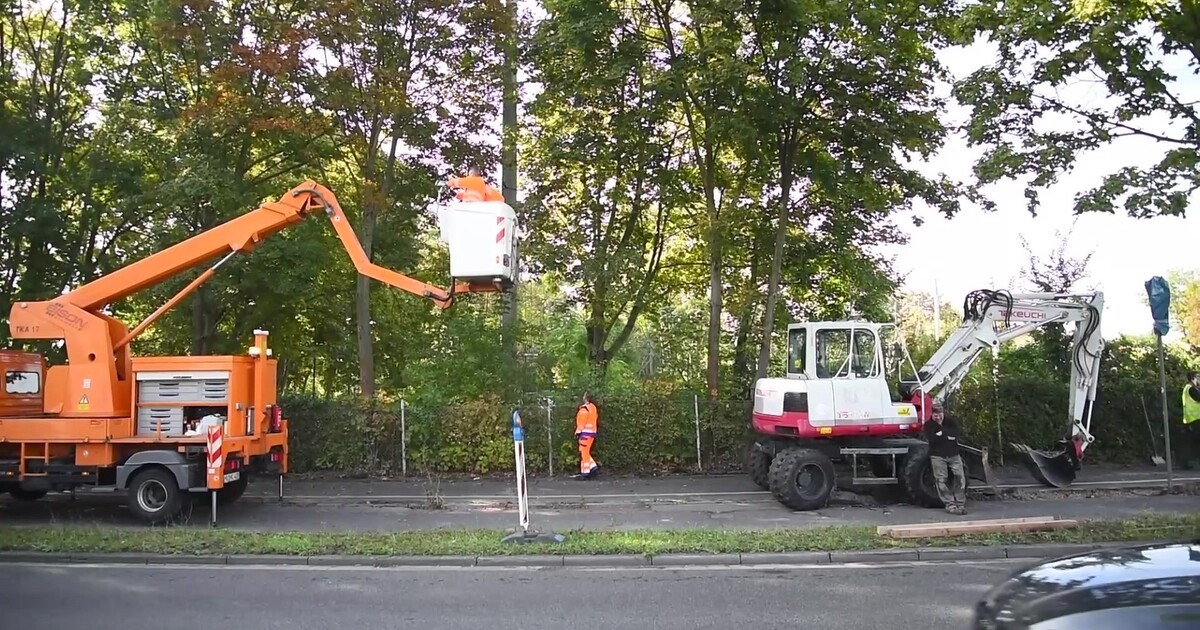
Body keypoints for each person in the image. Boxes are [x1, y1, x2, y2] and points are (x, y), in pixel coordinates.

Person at [923, 401, 967, 515]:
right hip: (937, 456)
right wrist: (946, 436)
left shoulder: (951, 422)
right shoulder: (928, 425)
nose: (938, 417)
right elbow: (932, 439)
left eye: (940, 415)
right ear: (932, 414)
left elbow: (956, 434)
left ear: (943, 413)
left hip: (953, 454)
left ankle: (960, 503)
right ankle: (950, 504)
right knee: (941, 480)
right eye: (936, 415)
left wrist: (941, 434)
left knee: (960, 477)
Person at [574, 392, 599, 479]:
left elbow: (581, 422)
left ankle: (585, 473)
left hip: (584, 433)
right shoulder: (593, 408)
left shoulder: (584, 409)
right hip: (592, 433)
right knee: (585, 451)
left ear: (585, 398)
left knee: (584, 452)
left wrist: (578, 432)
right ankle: (593, 467)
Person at [1179, 372, 1200, 469]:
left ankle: (1185, 463)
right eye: (1198, 377)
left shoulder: (1189, 388)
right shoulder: (1191, 389)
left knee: (1190, 443)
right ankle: (1185, 463)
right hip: (1195, 419)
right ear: (1193, 378)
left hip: (1190, 419)